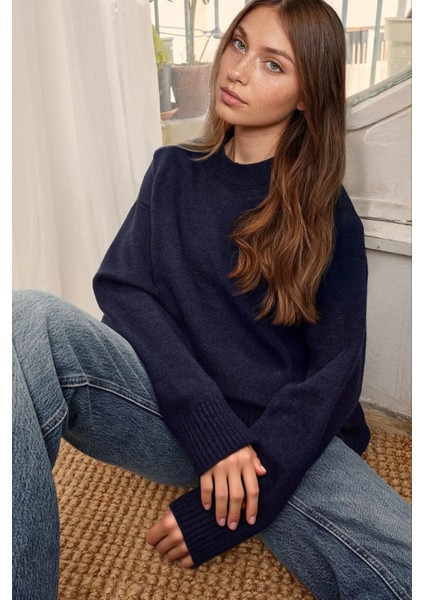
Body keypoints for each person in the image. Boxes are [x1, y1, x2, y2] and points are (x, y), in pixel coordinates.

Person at [12, 0, 412, 598]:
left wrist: (230, 507)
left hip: (277, 444)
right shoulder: (172, 171)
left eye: (273, 64)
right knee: (24, 320)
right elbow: (124, 290)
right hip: (172, 411)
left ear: (308, 96)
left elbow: (334, 378)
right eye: (240, 44)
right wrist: (212, 432)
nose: (238, 70)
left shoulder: (328, 215)